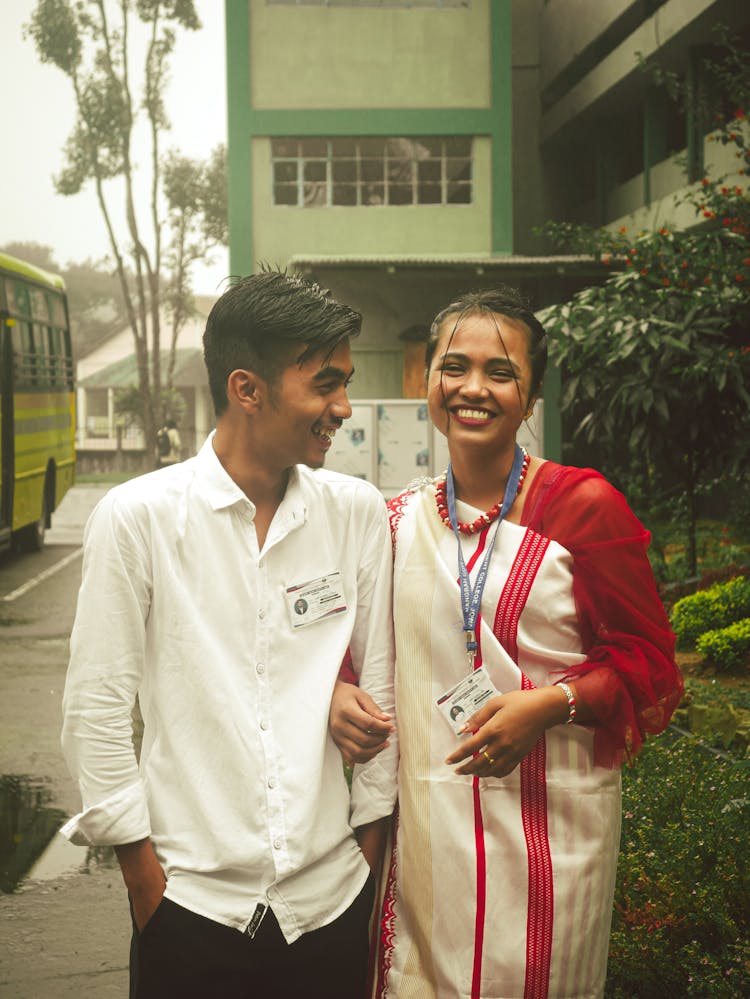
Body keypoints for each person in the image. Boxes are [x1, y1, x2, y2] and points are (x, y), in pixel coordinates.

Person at [330, 287, 683, 999]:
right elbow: (352, 647)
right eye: (453, 366)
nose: (473, 388)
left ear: (531, 396)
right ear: (425, 380)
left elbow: (650, 666)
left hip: (553, 831)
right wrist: (337, 689)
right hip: (429, 838)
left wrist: (551, 703)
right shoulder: (395, 521)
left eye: (501, 371)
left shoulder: (583, 507)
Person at [60, 269, 397, 999]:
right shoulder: (139, 518)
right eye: (325, 383)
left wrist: (368, 863)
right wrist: (148, 888)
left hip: (332, 906)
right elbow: (96, 711)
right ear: (247, 388)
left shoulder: (355, 513)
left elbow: (384, 692)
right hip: (189, 911)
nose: (342, 405)